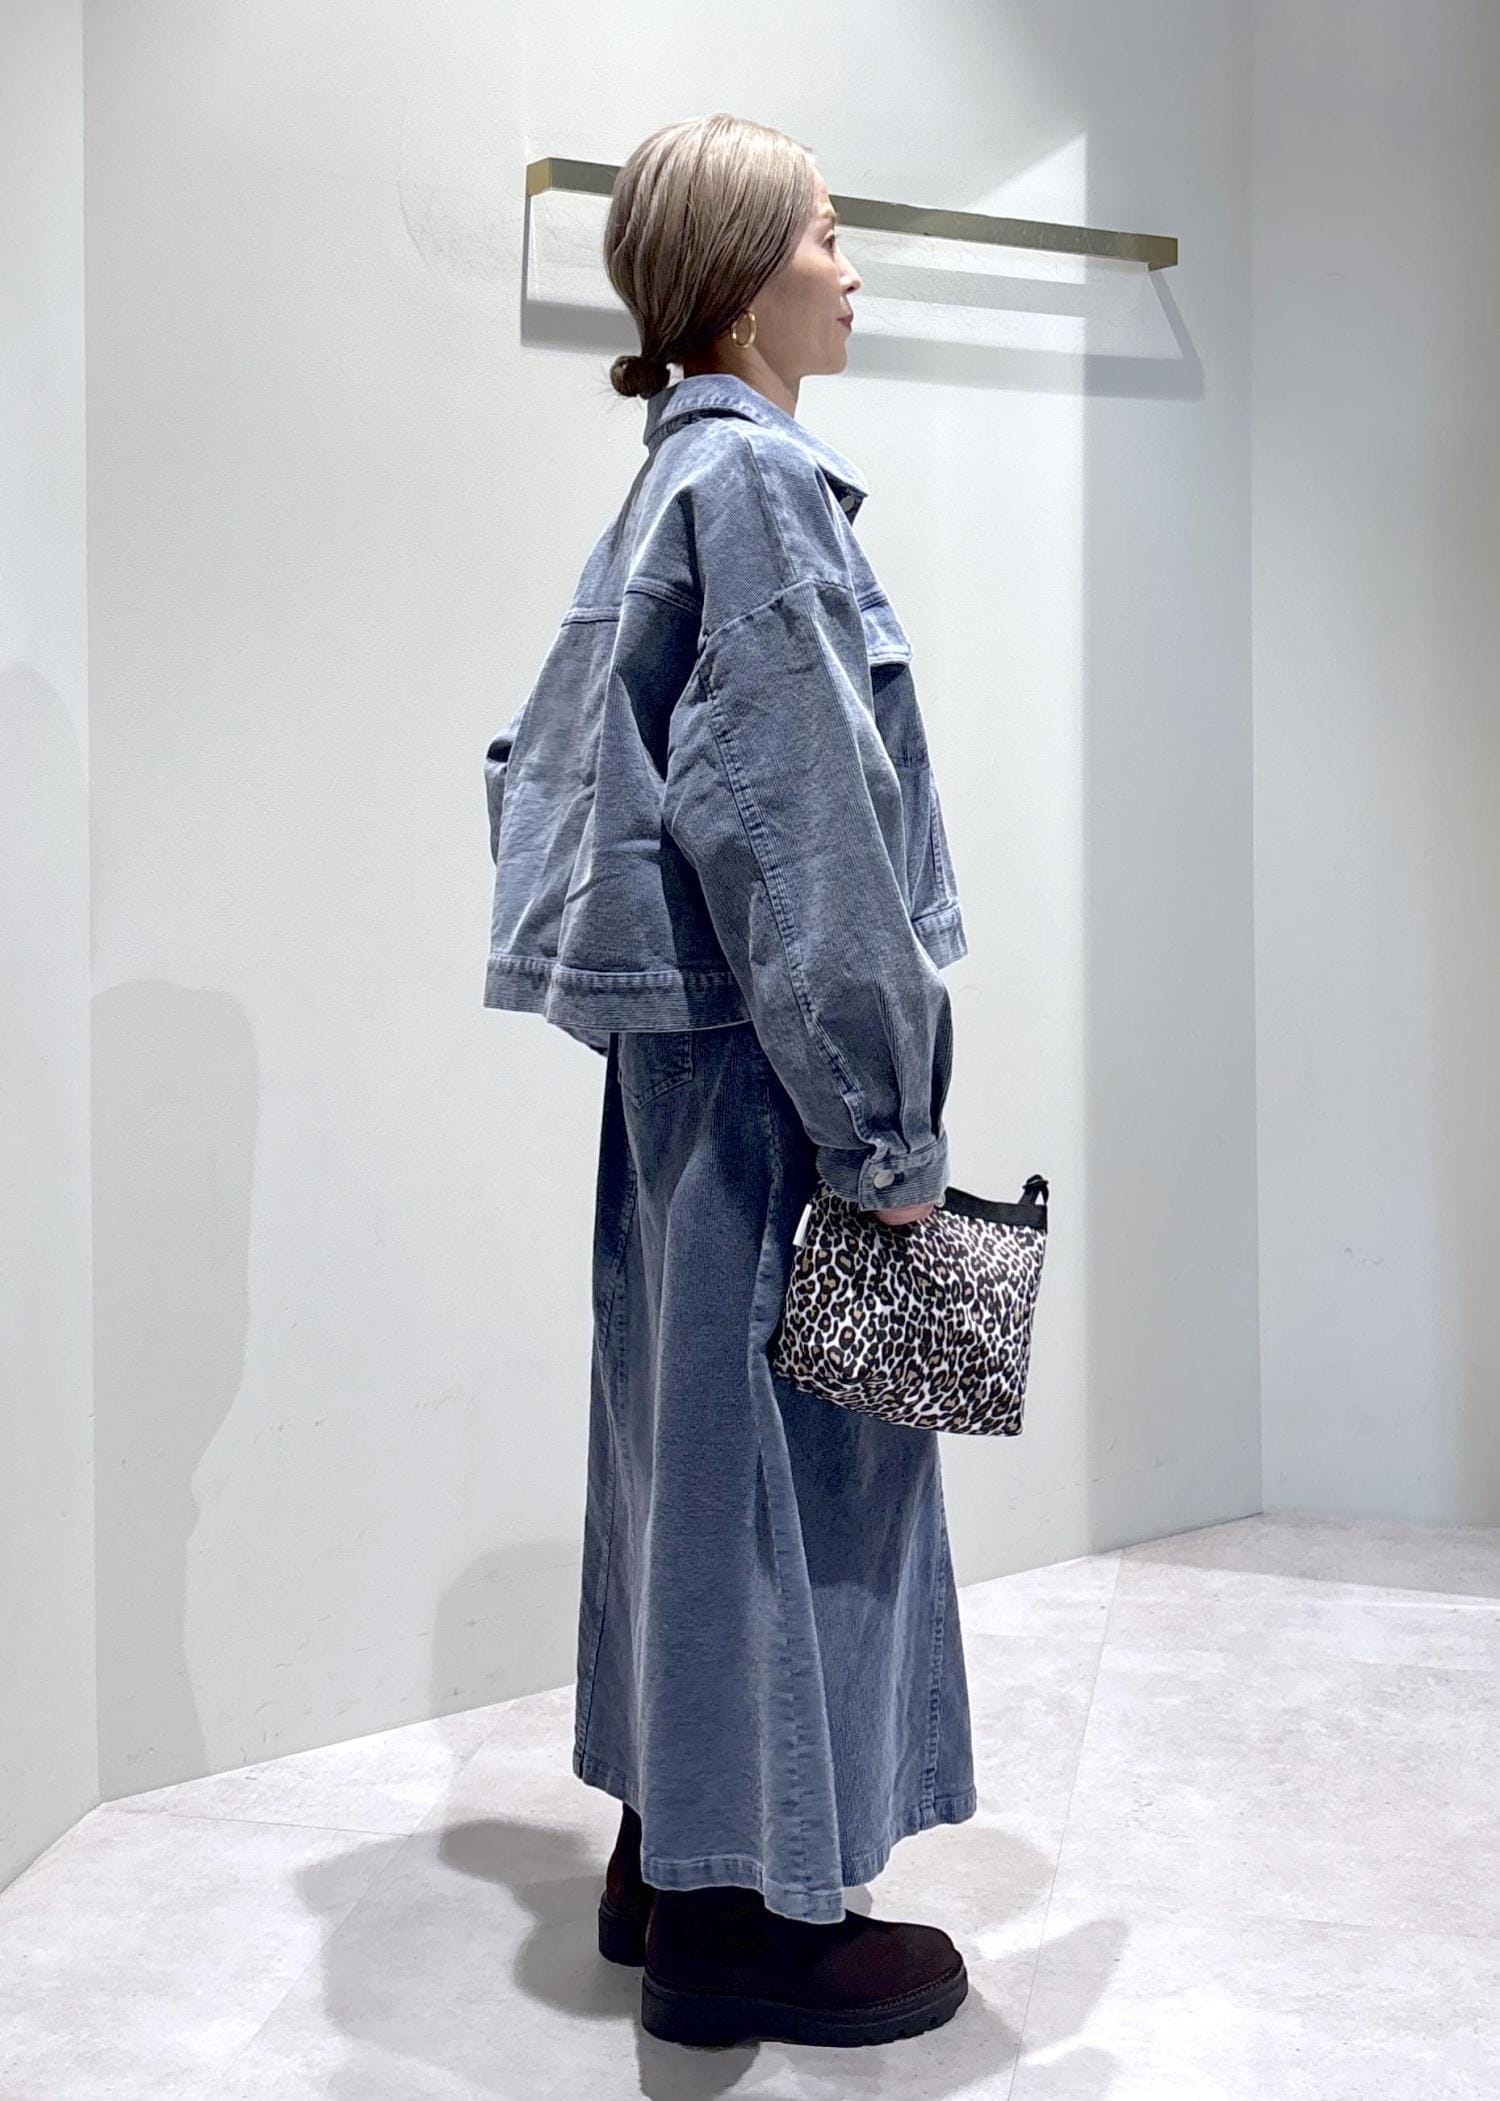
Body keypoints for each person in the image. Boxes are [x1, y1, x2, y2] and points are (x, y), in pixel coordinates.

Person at [482, 112, 976, 2049]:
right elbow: (801, 833)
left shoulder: (672, 481)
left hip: (690, 1082)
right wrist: (887, 1126)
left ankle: (670, 1846)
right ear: (746, 272)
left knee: (681, 1464)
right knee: (793, 1481)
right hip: (778, 1086)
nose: (854, 269)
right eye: (829, 234)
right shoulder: (756, 484)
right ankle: (743, 1920)